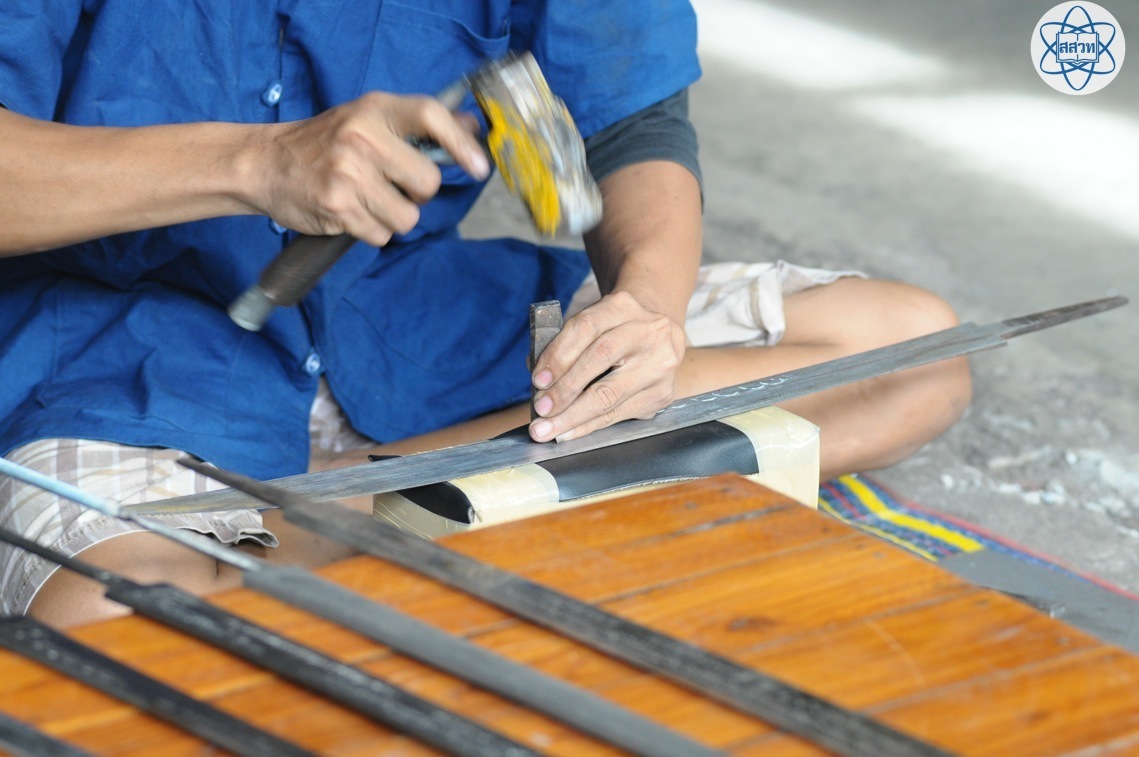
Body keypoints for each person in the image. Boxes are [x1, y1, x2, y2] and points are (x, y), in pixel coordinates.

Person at [0, 1, 971, 627]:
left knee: (907, 358)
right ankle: (433, 501)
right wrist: (255, 163)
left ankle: (331, 502)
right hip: (116, 353)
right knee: (127, 625)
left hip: (414, 319)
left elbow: (632, 123)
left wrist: (645, 306)